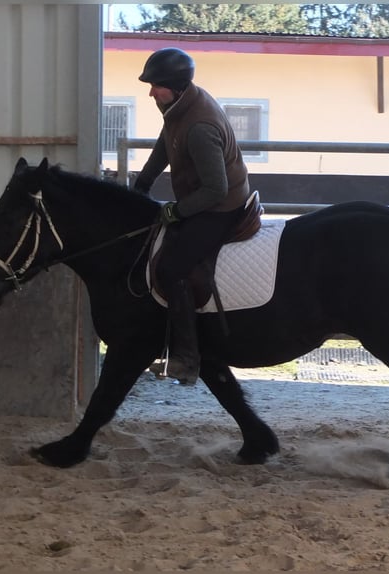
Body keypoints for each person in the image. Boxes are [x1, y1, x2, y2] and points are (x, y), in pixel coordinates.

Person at [133, 47, 252, 385]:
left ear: (175, 85)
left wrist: (176, 210)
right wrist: (141, 183)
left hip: (222, 205)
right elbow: (165, 143)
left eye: (156, 85)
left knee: (172, 268)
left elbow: (216, 189)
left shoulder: (200, 126)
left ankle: (187, 358)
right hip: (205, 196)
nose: (151, 91)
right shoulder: (178, 106)